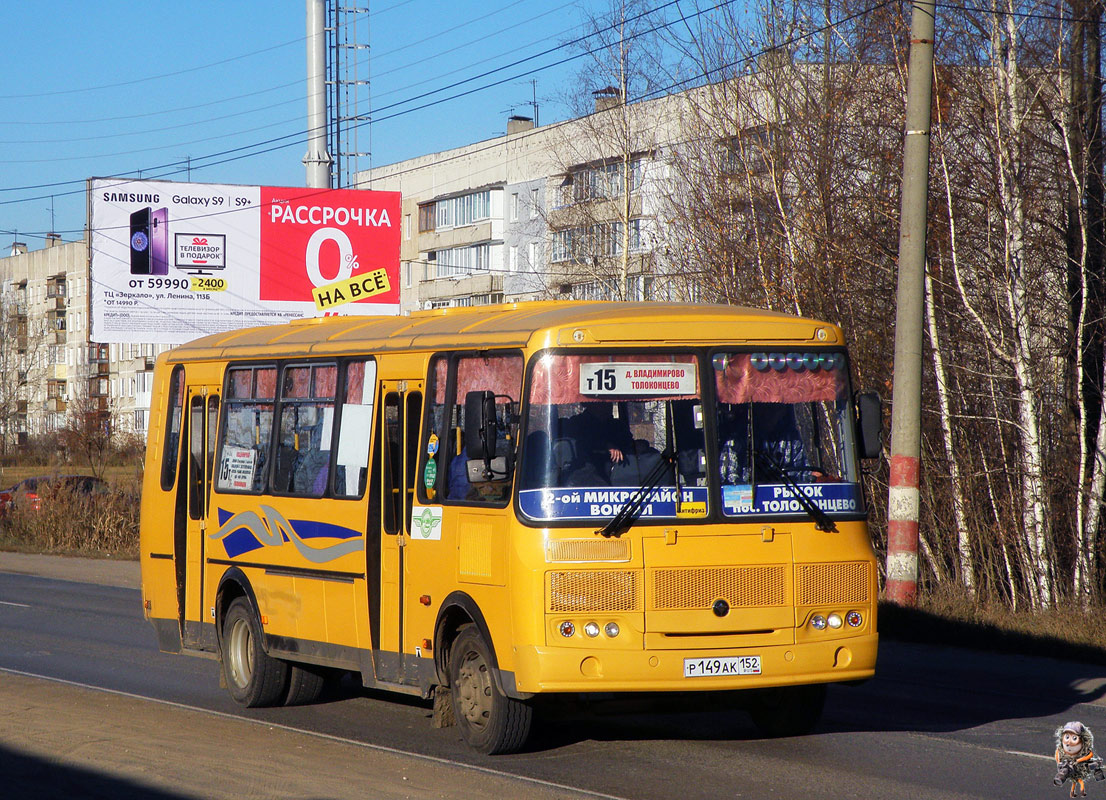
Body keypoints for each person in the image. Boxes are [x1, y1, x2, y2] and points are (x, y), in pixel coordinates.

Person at [564, 402, 634, 483]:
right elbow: (579, 443)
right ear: (590, 404)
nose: (608, 405)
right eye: (602, 402)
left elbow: (628, 443)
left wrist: (639, 445)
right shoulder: (576, 423)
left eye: (609, 401)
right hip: (586, 477)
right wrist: (605, 446)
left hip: (621, 477)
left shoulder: (618, 425)